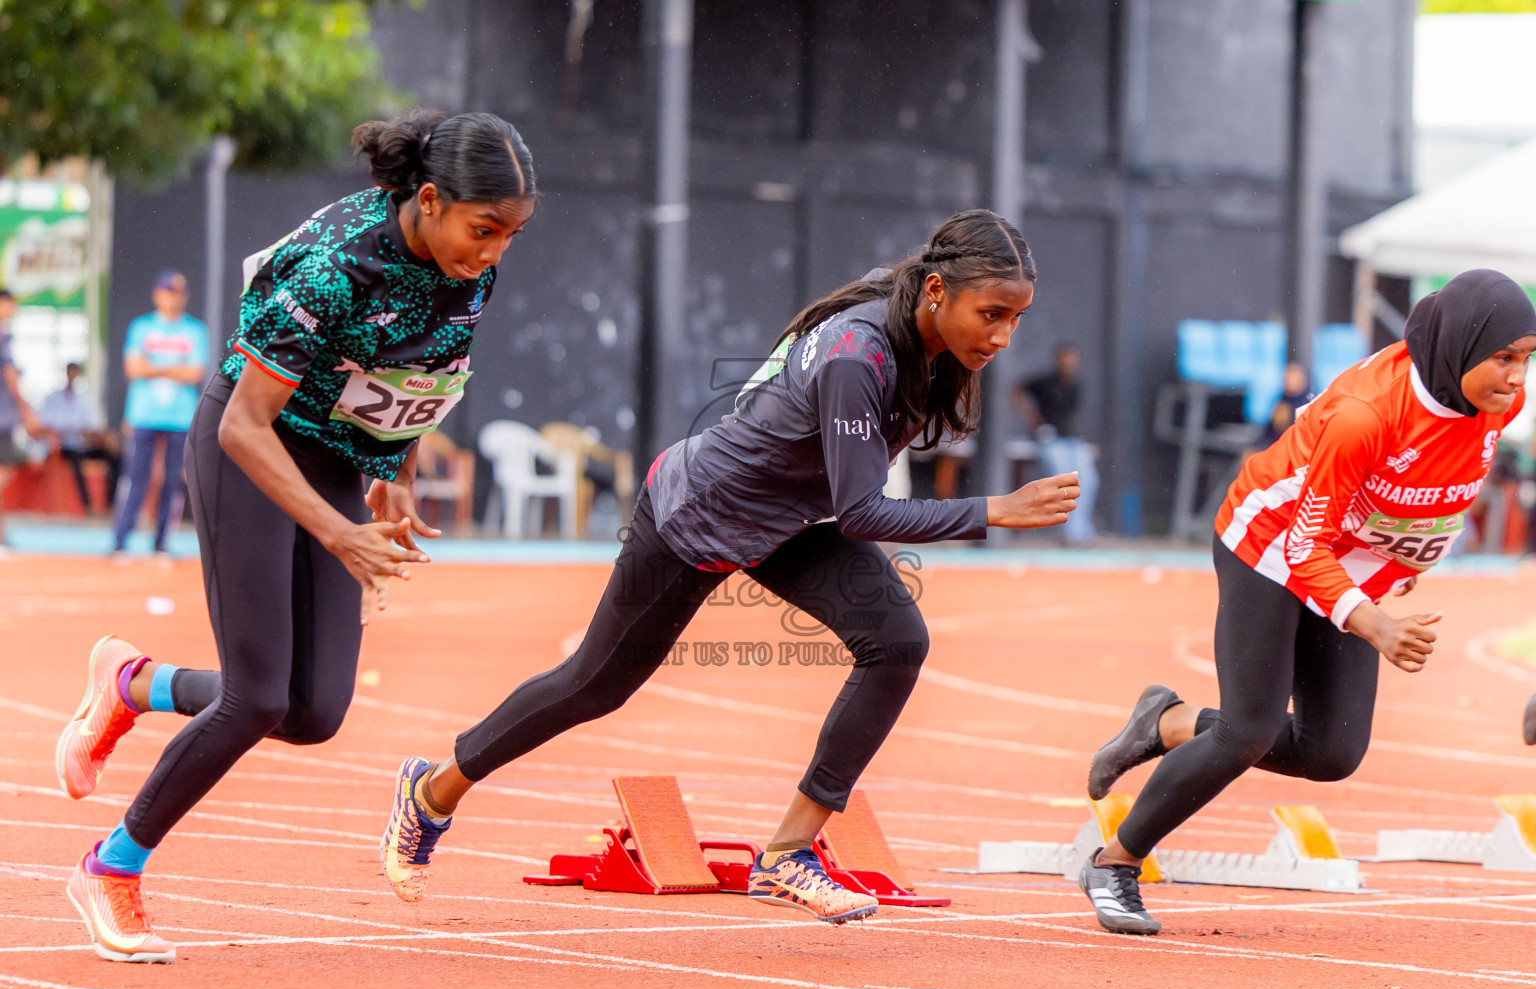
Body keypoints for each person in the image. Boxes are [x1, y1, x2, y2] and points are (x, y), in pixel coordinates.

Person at [376, 209, 1080, 925]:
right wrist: (995, 511)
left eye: (1017, 319)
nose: (1001, 337)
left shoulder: (909, 317)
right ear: (936, 290)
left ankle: (786, 857)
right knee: (594, 685)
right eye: (992, 314)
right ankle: (431, 792)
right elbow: (865, 512)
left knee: (898, 642)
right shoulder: (857, 353)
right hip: (700, 514)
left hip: (789, 521)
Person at [52, 109, 538, 963]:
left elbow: (421, 372)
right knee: (256, 697)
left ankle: (134, 683)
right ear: (428, 200)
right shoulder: (334, 268)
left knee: (313, 712)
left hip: (335, 461)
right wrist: (340, 535)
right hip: (249, 449)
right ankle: (110, 866)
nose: (494, 250)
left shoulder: (471, 269)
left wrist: (393, 479)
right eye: (484, 228)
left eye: (510, 234)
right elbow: (245, 424)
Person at [1080, 269, 1536, 936]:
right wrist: (1375, 621)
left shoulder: (1499, 404)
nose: (1517, 378)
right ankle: (1115, 861)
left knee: (1333, 754)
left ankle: (1169, 723)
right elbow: (1303, 549)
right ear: (1460, 347)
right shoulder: (1366, 416)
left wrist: (1403, 555)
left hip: (1348, 558)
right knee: (1249, 730)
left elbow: (1447, 478)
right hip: (1269, 545)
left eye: (1527, 360)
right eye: (1503, 358)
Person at [111, 270, 208, 554]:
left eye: (177, 293)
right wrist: (174, 367)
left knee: (173, 479)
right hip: (143, 414)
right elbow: (133, 368)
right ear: (157, 295)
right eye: (167, 292)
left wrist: (153, 366)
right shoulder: (141, 327)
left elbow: (194, 373)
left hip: (180, 417)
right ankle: (120, 539)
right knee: (135, 477)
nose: (171, 298)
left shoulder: (195, 330)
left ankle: (161, 540)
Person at [1013, 343, 1098, 544]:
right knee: (1063, 477)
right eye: (1065, 360)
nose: (1069, 364)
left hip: (1073, 440)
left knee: (1089, 479)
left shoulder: (1077, 385)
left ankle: (1082, 529)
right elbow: (1016, 391)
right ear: (1057, 361)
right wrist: (1032, 419)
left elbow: (1072, 418)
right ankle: (1069, 532)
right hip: (1049, 438)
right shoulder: (1043, 382)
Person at [39, 362, 120, 516]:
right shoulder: (53, 398)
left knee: (115, 457)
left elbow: (93, 427)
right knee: (76, 460)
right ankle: (87, 506)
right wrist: (72, 430)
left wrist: (100, 437)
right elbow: (46, 424)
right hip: (65, 446)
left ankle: (111, 505)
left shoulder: (85, 399)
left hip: (84, 445)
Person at [0, 290, 45, 550]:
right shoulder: (2, 335)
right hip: (3, 417)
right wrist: (27, 410)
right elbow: (11, 376)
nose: (13, 309)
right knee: (4, 472)